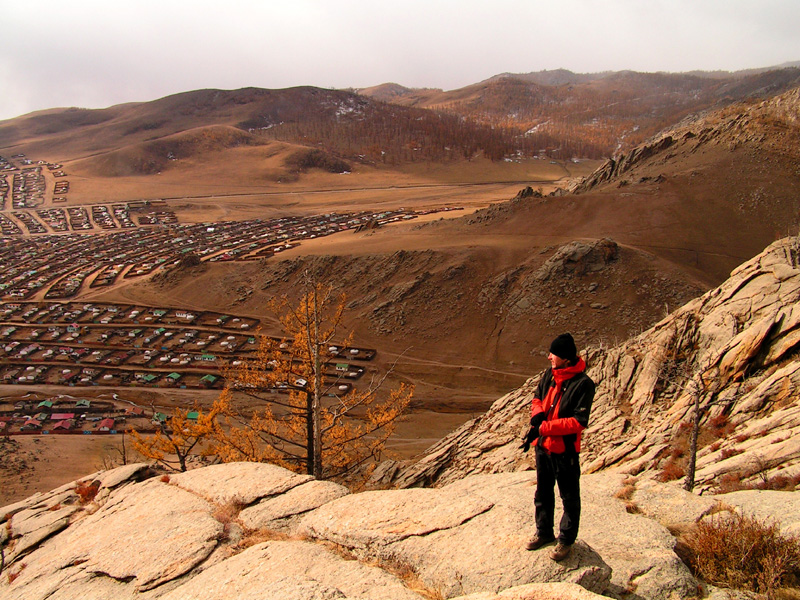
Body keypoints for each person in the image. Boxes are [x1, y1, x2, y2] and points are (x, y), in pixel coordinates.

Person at [520, 333, 595, 561]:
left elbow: (577, 423)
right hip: (543, 448)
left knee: (569, 498)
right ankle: (543, 533)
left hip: (565, 452)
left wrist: (544, 428)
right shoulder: (550, 375)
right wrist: (538, 414)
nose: (549, 357)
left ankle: (565, 541)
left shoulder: (584, 385)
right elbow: (536, 397)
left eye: (553, 354)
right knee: (542, 493)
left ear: (565, 358)